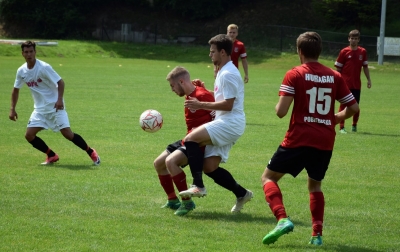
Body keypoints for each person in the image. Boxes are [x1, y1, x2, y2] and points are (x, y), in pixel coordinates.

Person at [261, 32, 359, 246]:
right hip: (325, 140)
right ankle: (316, 236)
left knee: (268, 178)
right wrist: (334, 118)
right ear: (320, 51)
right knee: (315, 186)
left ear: (299, 51)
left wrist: (278, 105)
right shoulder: (334, 76)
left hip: (299, 138)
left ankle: (282, 219)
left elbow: (281, 112)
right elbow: (353, 108)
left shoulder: (295, 74)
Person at [179, 34, 253, 213]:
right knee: (210, 167)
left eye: (212, 51)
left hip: (230, 122)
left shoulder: (227, 73)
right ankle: (242, 193)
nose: (209, 55)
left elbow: (228, 105)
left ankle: (198, 186)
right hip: (228, 122)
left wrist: (199, 104)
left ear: (223, 52)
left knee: (190, 139)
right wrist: (203, 90)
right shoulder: (224, 70)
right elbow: (223, 97)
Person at [9, 41, 100, 166]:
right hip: (40, 110)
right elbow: (15, 90)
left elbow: (60, 82)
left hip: (55, 106)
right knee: (29, 135)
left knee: (68, 134)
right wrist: (12, 109)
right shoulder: (21, 71)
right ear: (22, 54)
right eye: (26, 52)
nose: (29, 54)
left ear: (35, 52)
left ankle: (91, 152)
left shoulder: (44, 67)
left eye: (31, 51)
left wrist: (59, 100)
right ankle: (51, 155)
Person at [153, 66, 215, 216]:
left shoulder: (201, 95)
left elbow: (218, 116)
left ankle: (187, 202)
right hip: (187, 139)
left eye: (172, 85)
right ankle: (172, 200)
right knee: (159, 163)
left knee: (171, 162)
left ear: (181, 81)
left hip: (197, 143)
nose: (172, 89)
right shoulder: (190, 94)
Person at [335, 29, 372, 133]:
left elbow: (365, 67)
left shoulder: (362, 52)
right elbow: (338, 69)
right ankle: (342, 127)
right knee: (343, 105)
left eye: (356, 39)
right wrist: (336, 81)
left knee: (355, 107)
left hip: (356, 85)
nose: (353, 40)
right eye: (352, 38)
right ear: (348, 39)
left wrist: (368, 79)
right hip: (345, 84)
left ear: (358, 40)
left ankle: (354, 125)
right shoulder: (344, 52)